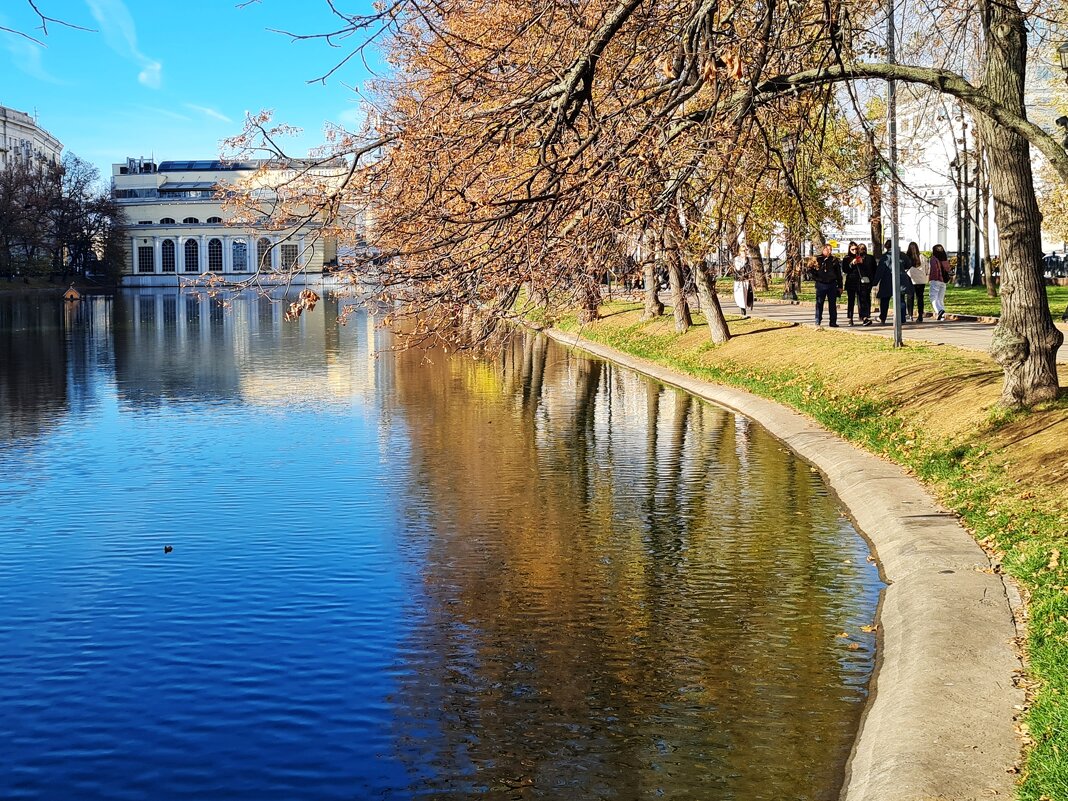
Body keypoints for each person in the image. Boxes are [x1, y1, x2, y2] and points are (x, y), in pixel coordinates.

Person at [875, 240, 913, 324]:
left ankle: (883, 317)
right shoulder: (902, 255)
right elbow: (909, 265)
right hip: (901, 280)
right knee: (901, 299)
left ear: (886, 247)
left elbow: (880, 270)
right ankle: (902, 319)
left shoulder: (885, 257)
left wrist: (875, 281)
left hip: (887, 280)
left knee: (885, 299)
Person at [808, 244, 843, 327]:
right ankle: (818, 320)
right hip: (821, 284)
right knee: (819, 303)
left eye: (831, 250)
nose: (830, 251)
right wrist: (816, 278)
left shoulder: (834, 260)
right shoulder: (817, 259)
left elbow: (838, 274)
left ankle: (833, 321)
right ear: (824, 250)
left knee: (832, 304)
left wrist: (840, 286)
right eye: (828, 250)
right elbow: (810, 270)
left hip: (832, 284)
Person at [850, 243, 878, 325]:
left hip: (863, 280)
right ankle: (866, 314)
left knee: (862, 298)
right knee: (866, 298)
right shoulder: (870, 257)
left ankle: (863, 315)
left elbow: (871, 269)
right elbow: (874, 270)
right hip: (868, 280)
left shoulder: (862, 258)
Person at [905, 241, 929, 322]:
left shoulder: (907, 257)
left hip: (911, 278)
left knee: (910, 297)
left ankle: (910, 314)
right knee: (920, 298)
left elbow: (904, 268)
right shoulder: (922, 257)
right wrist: (925, 275)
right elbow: (927, 268)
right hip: (921, 280)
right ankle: (920, 315)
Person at [928, 244, 951, 320]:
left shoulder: (933, 259)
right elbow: (948, 269)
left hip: (936, 280)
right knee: (940, 298)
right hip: (943, 281)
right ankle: (942, 315)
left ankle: (939, 311)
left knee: (933, 297)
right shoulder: (945, 259)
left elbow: (934, 270)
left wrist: (932, 278)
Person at [841, 241, 861, 325]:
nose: (855, 251)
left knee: (861, 300)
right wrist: (852, 264)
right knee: (851, 300)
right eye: (853, 249)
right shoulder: (846, 258)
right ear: (849, 249)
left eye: (856, 249)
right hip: (851, 281)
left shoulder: (860, 257)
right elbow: (845, 270)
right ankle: (850, 317)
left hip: (860, 281)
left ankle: (863, 316)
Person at [732, 252, 754, 316]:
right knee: (740, 296)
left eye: (746, 250)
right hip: (739, 280)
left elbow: (750, 269)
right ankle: (742, 310)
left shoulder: (749, 259)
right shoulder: (737, 259)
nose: (745, 252)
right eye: (744, 250)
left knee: (746, 296)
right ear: (740, 251)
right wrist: (743, 259)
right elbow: (738, 268)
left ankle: (744, 310)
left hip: (747, 280)